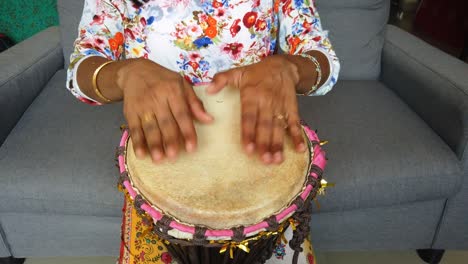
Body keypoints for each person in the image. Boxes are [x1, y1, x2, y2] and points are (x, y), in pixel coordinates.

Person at [68, 0, 340, 263]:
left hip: (262, 156)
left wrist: (291, 68)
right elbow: (80, 69)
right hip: (162, 159)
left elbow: (322, 57)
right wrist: (123, 74)